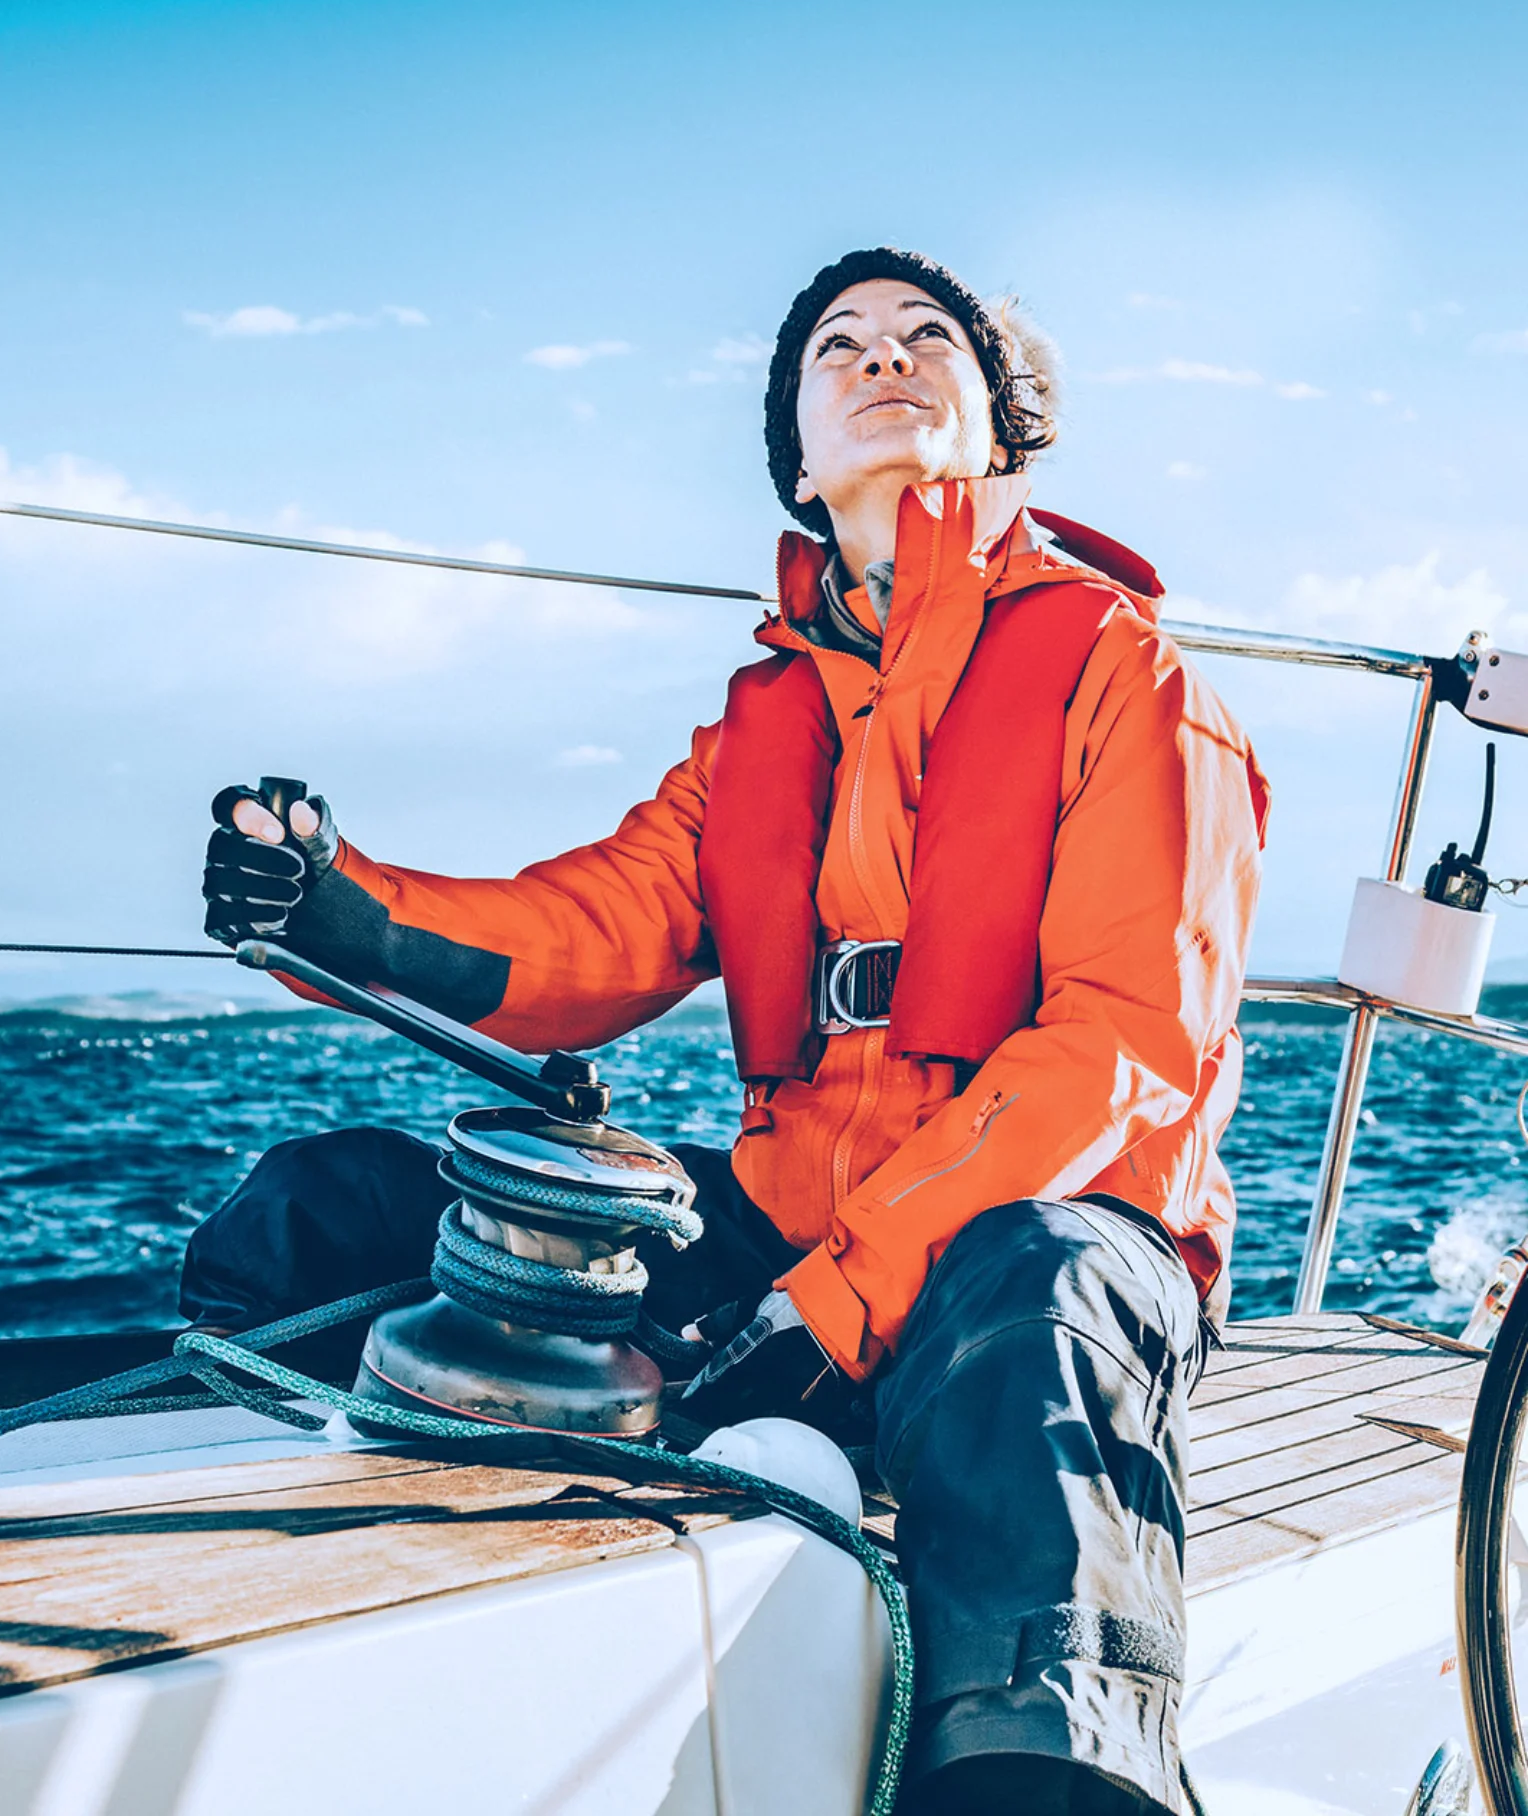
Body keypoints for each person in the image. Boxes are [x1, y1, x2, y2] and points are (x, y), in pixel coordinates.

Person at [190, 246, 1268, 1815]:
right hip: (782, 1231)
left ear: (1006, 427)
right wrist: (342, 916)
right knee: (321, 1211)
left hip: (1056, 1243)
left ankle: (1052, 1775)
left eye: (927, 341)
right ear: (797, 448)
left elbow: (1121, 1051)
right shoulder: (763, 724)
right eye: (840, 347)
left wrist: (836, 1314)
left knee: (1028, 1301)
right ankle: (259, 1597)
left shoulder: (1133, 680)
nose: (881, 360)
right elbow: (599, 929)